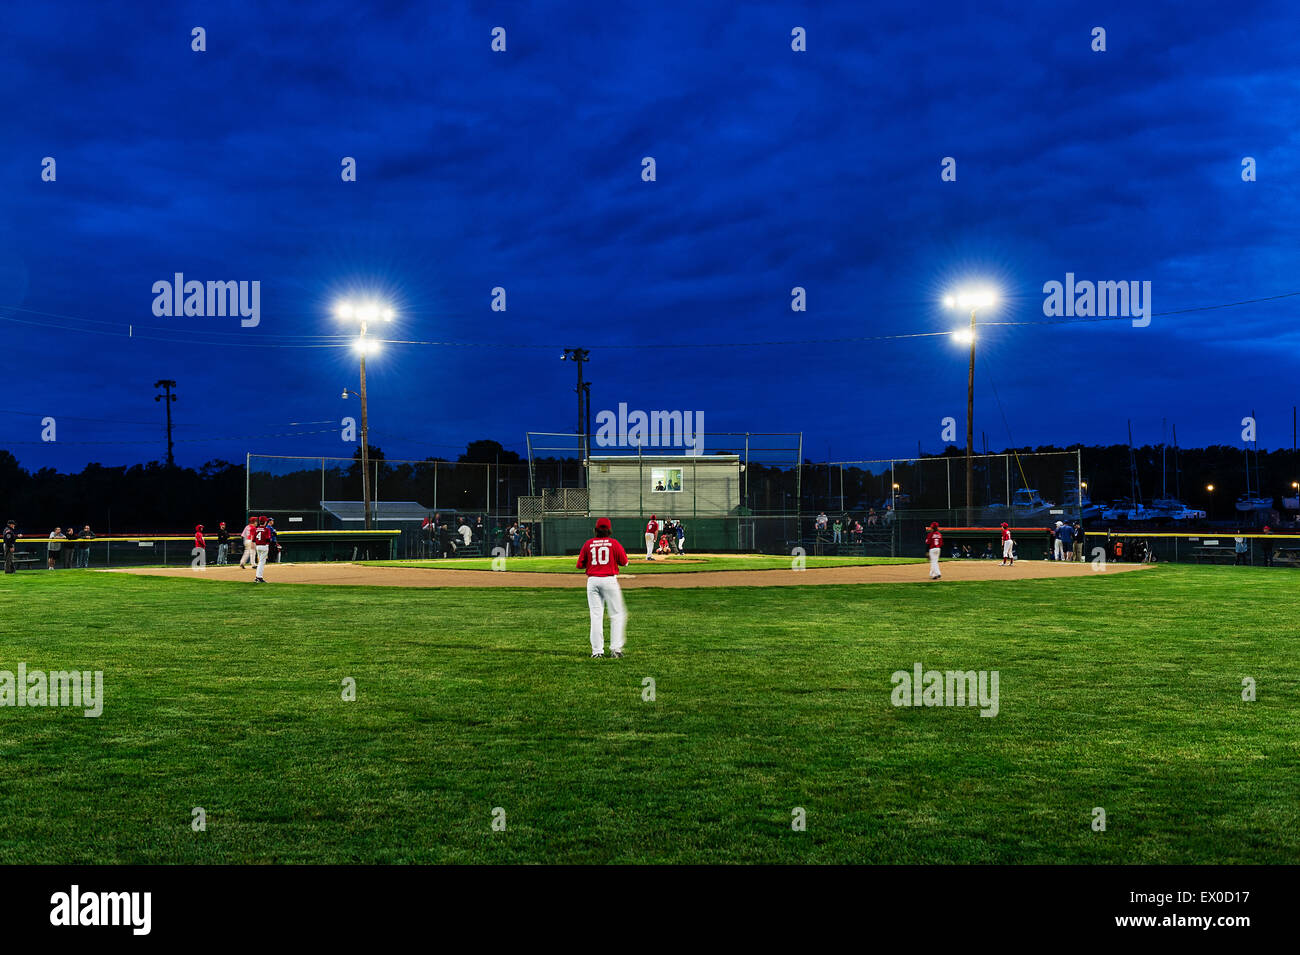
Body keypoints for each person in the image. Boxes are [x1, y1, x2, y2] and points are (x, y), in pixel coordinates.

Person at [577, 517, 628, 658]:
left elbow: (580, 565)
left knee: (596, 616)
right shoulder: (614, 543)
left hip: (592, 581)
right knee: (617, 614)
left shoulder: (588, 544)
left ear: (596, 530)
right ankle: (616, 649)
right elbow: (624, 562)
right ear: (609, 530)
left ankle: (597, 652)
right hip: (609, 580)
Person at [252, 517, 271, 583]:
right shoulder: (267, 529)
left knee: (260, 562)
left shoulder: (256, 529)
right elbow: (268, 539)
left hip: (258, 546)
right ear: (265, 522)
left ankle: (257, 577)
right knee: (261, 563)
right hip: (264, 546)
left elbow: (253, 539)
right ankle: (259, 577)